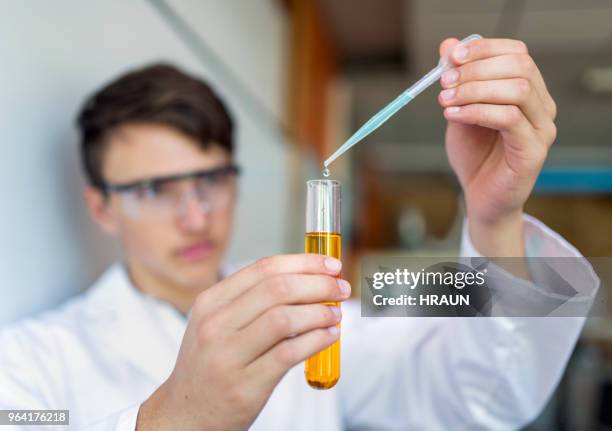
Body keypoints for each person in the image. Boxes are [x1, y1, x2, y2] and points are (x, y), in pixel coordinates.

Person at [0, 37, 597, 430]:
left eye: (210, 179)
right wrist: (169, 419)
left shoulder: (320, 313)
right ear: (101, 208)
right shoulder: (31, 361)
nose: (195, 214)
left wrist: (492, 217)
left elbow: (487, 398)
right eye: (156, 189)